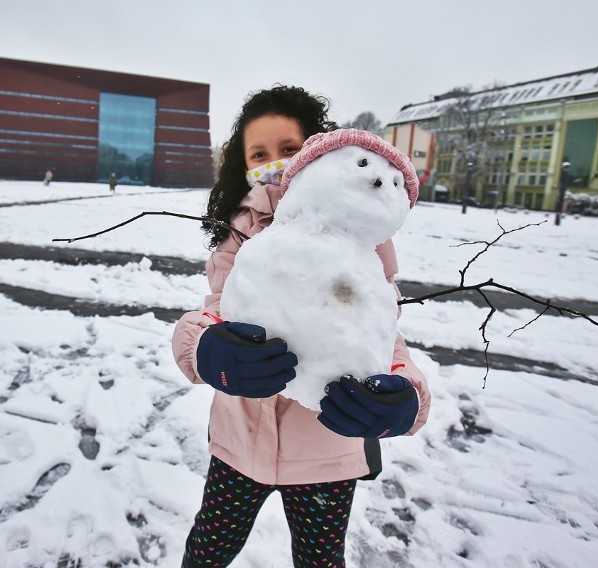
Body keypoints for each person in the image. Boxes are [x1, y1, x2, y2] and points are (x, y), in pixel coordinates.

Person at [171, 85, 431, 567]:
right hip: (239, 444)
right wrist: (205, 349)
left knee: (319, 560)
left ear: (318, 151)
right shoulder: (238, 234)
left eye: (288, 150)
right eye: (258, 154)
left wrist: (406, 398)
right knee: (207, 552)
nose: (273, 164)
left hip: (327, 451)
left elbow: (380, 335)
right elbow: (213, 312)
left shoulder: (361, 241)